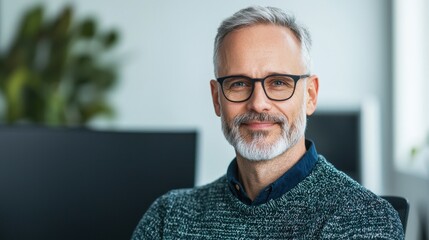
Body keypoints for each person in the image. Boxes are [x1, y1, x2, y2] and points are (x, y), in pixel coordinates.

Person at [132, 6, 404, 239]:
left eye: (278, 83)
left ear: (310, 96)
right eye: (239, 83)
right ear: (217, 98)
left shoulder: (363, 220)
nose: (258, 103)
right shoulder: (168, 219)